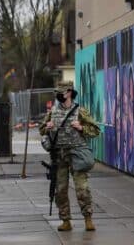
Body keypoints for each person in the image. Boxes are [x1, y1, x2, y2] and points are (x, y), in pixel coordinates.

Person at [39, 80, 100, 232]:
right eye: (57, 92)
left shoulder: (80, 111)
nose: (59, 95)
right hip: (59, 156)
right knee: (60, 190)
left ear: (69, 93)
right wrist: (47, 128)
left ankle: (88, 218)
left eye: (62, 92)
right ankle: (65, 220)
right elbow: (41, 129)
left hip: (77, 154)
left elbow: (96, 130)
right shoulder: (52, 112)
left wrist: (81, 127)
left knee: (82, 188)